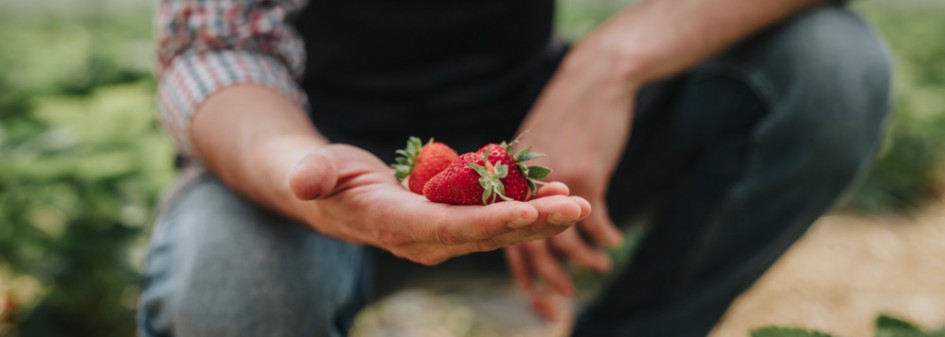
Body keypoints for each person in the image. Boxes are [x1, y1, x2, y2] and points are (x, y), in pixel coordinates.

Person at [137, 0, 892, 335]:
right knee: (227, 287)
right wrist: (304, 173)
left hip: (533, 145)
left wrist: (608, 68)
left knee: (829, 65)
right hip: (310, 156)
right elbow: (214, 46)